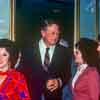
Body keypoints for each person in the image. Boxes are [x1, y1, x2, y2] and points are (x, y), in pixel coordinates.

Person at [18, 19, 71, 100]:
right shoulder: (28, 50)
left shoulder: (64, 52)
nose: (56, 36)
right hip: (32, 96)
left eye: (57, 33)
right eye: (53, 33)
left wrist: (59, 82)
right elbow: (22, 73)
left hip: (54, 97)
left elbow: (67, 74)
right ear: (43, 33)